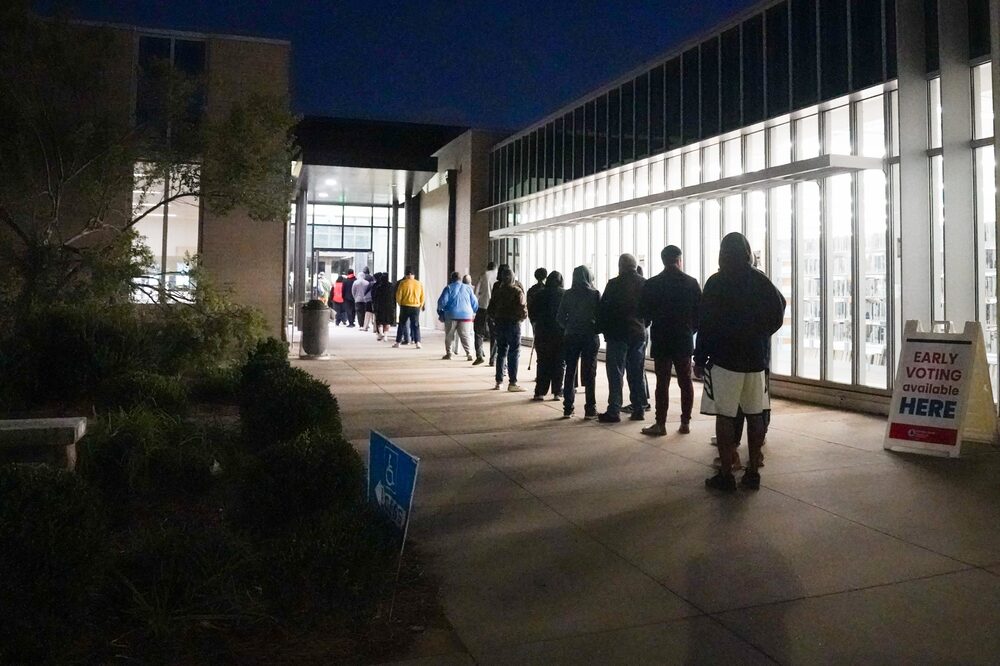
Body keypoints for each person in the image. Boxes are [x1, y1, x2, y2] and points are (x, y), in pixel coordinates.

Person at [696, 232, 786, 492]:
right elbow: (779, 308)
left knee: (725, 416)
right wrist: (760, 332)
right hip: (755, 358)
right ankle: (753, 471)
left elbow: (706, 324)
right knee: (755, 413)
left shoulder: (716, 282)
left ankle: (725, 474)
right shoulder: (760, 280)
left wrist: (700, 358)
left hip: (725, 359)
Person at [639, 245, 702, 437]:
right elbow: (700, 314)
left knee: (662, 382)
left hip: (661, 339)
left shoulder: (652, 284)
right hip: (683, 339)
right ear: (679, 260)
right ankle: (685, 422)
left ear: (663, 260)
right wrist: (690, 329)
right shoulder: (691, 283)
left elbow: (645, 314)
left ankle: (660, 423)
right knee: (685, 381)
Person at [596, 254, 647, 423]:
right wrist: (642, 325)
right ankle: (638, 408)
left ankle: (614, 410)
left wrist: (603, 330)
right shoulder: (644, 283)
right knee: (637, 372)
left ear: (620, 266)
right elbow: (649, 310)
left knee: (616, 373)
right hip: (638, 333)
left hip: (617, 334)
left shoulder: (613, 284)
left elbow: (603, 310)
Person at [558, 266, 601, 419]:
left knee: (570, 371)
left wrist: (569, 326)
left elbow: (560, 317)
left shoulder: (568, 294)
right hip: (589, 336)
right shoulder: (595, 294)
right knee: (590, 372)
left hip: (571, 336)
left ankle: (568, 407)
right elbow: (600, 316)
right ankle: (590, 408)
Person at [487, 265, 527, 392]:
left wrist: (495, 319)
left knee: (501, 352)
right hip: (513, 324)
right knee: (514, 352)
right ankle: (512, 382)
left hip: (500, 324)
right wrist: (520, 318)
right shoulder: (517, 291)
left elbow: (490, 309)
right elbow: (523, 309)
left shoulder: (497, 291)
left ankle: (499, 381)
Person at [528, 271, 565, 401]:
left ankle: (540, 392)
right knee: (559, 362)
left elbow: (532, 313)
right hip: (560, 333)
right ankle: (557, 391)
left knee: (543, 362)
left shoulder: (539, 294)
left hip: (542, 333)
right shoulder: (564, 294)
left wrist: (536, 324)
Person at [437, 271, 479, 360]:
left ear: (451, 279)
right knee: (465, 335)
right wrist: (473, 312)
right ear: (460, 279)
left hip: (451, 314)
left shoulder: (448, 288)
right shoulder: (468, 288)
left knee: (449, 335)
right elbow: (475, 302)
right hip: (466, 315)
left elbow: (442, 301)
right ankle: (469, 354)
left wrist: (440, 312)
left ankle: (449, 353)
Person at [394, 266, 425, 349]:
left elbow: (398, 296)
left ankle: (398, 342)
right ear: (413, 275)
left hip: (405, 306)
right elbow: (422, 296)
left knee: (402, 324)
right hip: (416, 307)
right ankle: (418, 342)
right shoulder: (419, 283)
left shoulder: (403, 283)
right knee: (416, 325)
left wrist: (400, 304)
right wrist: (420, 305)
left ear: (407, 274)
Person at [474, 261, 498, 366]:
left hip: (483, 307)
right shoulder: (498, 276)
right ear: (496, 268)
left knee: (479, 332)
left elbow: (476, 292)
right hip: (495, 309)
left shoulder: (483, 275)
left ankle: (479, 355)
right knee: (494, 334)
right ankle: (493, 359)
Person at [370, 272, 396, 341]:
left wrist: (374, 306)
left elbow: (374, 297)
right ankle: (386, 336)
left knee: (380, 321)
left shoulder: (379, 287)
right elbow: (394, 297)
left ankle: (381, 333)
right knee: (387, 321)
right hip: (389, 306)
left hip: (380, 306)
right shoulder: (392, 286)